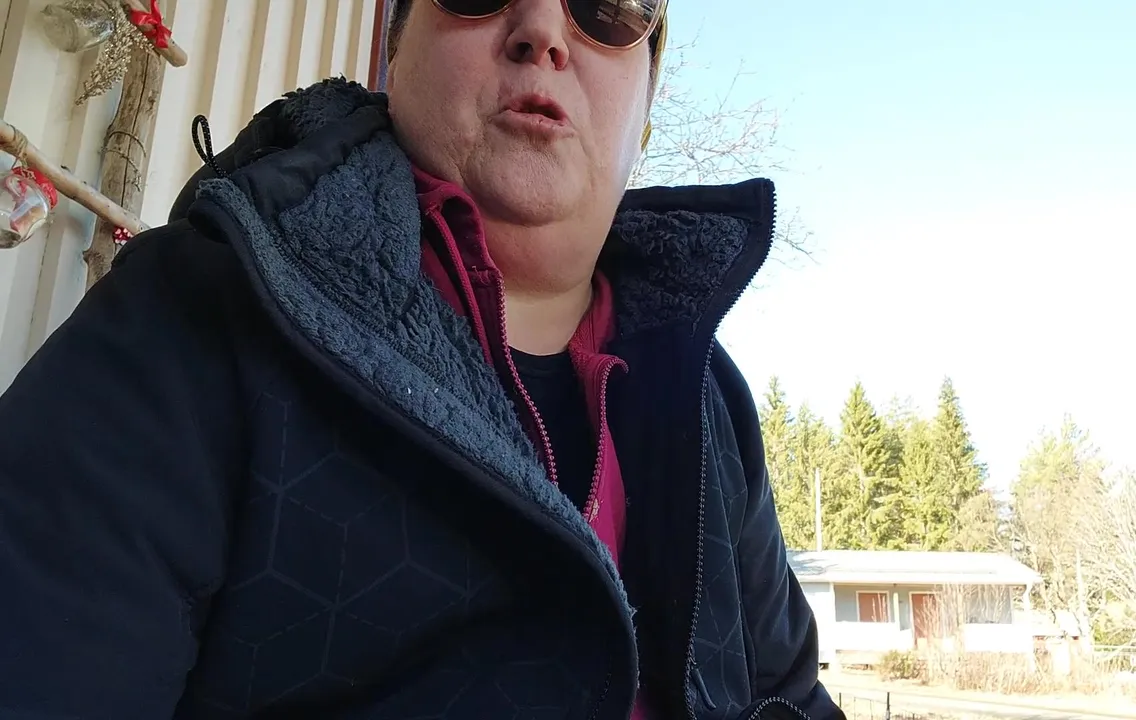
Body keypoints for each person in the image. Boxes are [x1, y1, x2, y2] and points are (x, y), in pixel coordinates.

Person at [0, 0, 842, 718]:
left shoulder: (708, 399)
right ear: (393, 54)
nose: (543, 29)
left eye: (608, 6)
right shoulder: (198, 309)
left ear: (646, 105)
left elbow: (792, 695)